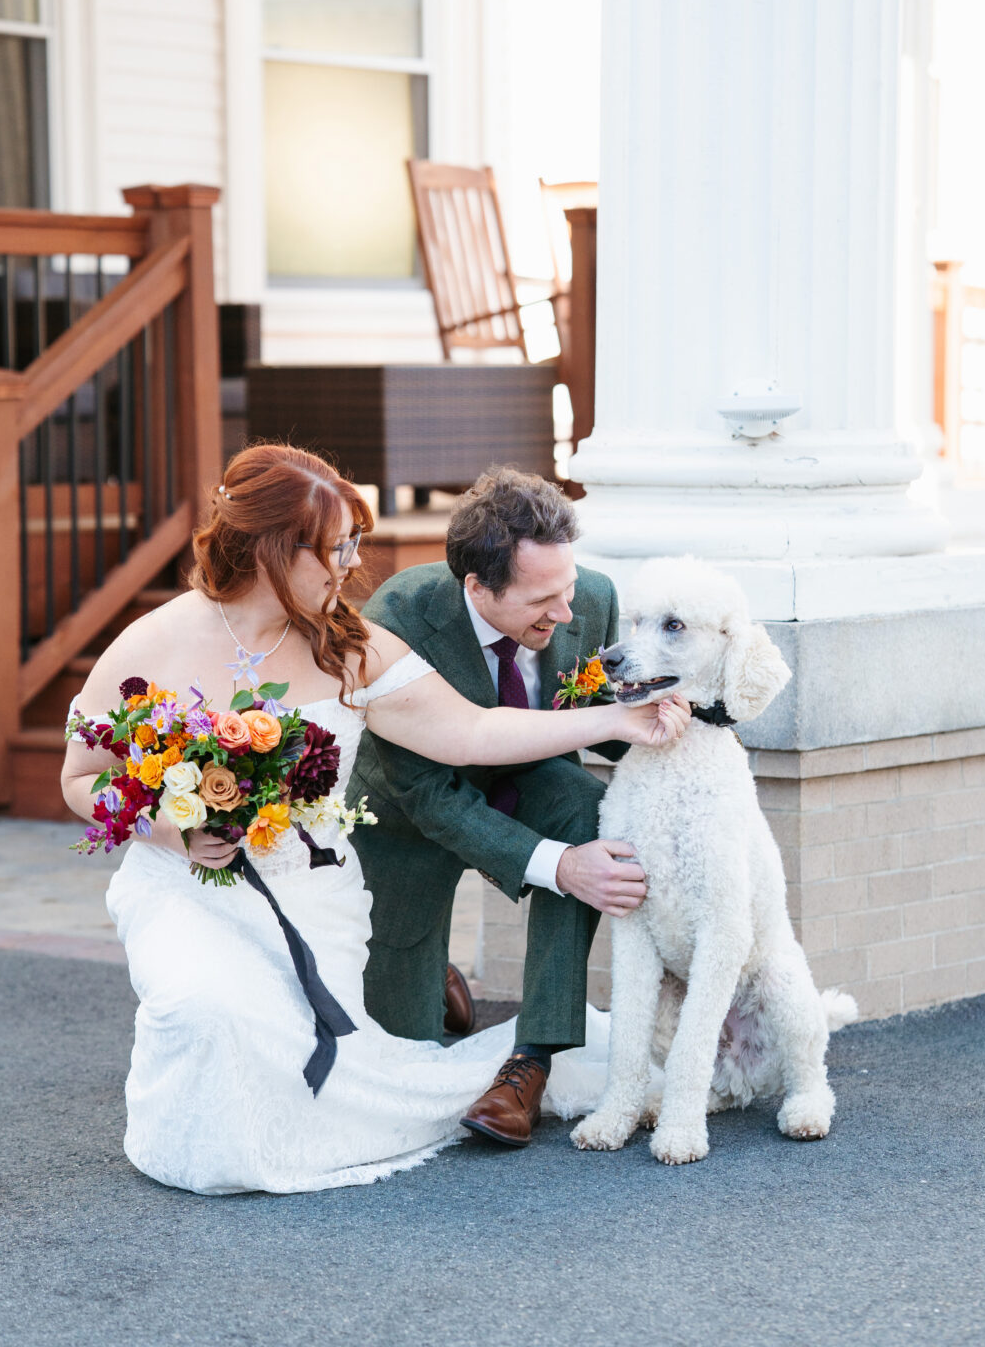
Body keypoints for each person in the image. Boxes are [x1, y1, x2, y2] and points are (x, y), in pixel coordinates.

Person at [60, 444, 688, 1195]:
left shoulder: (348, 644)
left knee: (329, 1055)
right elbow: (81, 778)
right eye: (336, 548)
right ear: (271, 550)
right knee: (207, 1014)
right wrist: (175, 827)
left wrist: (616, 720)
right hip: (185, 890)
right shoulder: (155, 640)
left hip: (309, 892)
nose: (351, 565)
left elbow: (473, 733)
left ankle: (477, 1022)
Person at [350, 467, 681, 1148]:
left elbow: (599, 725)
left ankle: (530, 1059)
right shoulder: (397, 619)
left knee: (588, 815)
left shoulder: (588, 595)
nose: (564, 612)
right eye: (540, 599)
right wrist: (559, 869)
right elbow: (432, 799)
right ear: (476, 587)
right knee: (400, 1051)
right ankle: (426, 970)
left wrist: (670, 713)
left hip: (530, 776)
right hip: (409, 809)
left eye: (566, 588)